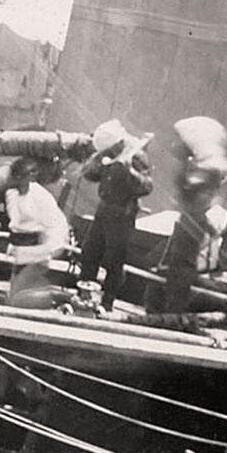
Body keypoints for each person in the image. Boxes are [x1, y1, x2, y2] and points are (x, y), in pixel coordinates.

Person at [147, 114, 227, 322]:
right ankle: (168, 311)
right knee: (172, 266)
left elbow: (190, 193)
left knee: (180, 270)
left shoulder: (203, 172)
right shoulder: (202, 170)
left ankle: (173, 315)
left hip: (191, 226)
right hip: (189, 223)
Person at [74, 121, 152, 314]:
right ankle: (84, 294)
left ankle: (107, 302)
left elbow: (146, 186)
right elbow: (90, 175)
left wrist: (129, 171)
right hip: (104, 209)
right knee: (90, 253)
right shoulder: (107, 155)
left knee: (114, 260)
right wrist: (98, 160)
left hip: (123, 214)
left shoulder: (136, 156)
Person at [0, 157, 77, 308]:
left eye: (21, 177)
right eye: (15, 177)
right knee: (15, 296)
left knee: (16, 300)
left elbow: (55, 226)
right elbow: (15, 224)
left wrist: (48, 249)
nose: (17, 180)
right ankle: (51, 299)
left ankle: (65, 297)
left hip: (38, 248)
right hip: (19, 248)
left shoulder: (41, 197)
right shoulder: (11, 194)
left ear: (31, 176)